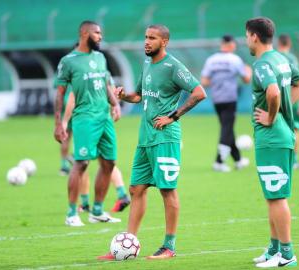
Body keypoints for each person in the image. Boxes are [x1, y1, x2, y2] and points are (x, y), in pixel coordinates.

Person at [98, 24, 207, 260]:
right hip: (145, 138)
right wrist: (125, 96)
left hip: (165, 139)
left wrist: (173, 117)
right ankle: (127, 245)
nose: (146, 42)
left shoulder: (173, 66)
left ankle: (169, 246)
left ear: (164, 42)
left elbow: (199, 92)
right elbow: (139, 95)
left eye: (152, 38)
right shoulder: (147, 64)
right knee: (136, 189)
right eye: (146, 37)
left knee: (167, 190)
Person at [245, 17, 299, 267]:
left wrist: (272, 116)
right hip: (281, 135)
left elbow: (271, 91)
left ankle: (287, 254)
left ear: (255, 37)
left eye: (246, 36)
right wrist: (285, 110)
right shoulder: (282, 59)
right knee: (273, 196)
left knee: (277, 197)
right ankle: (274, 249)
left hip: (272, 137)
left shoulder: (261, 64)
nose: (246, 40)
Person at [54, 21, 122, 226]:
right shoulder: (69, 61)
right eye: (97, 33)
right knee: (81, 163)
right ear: (84, 33)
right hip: (84, 118)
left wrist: (115, 104)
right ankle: (72, 213)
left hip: (104, 118)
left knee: (109, 163)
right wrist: (59, 122)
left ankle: (97, 211)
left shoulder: (100, 57)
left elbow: (104, 84)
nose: (101, 36)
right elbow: (60, 94)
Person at [62, 78, 131, 214]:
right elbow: (111, 90)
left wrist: (64, 120)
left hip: (88, 120)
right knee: (105, 162)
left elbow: (72, 96)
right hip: (102, 119)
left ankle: (86, 203)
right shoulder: (101, 69)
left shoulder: (82, 69)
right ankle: (121, 194)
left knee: (83, 162)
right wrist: (114, 106)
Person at [201, 34, 252, 172]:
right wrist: (249, 70)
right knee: (226, 129)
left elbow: (204, 82)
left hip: (217, 100)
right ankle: (219, 162)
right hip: (230, 99)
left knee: (227, 128)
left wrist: (217, 82)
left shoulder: (211, 60)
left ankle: (238, 160)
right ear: (231, 45)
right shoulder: (235, 59)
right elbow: (247, 79)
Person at [277, 34, 299, 169]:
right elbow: (298, 81)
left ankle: (281, 160)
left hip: (277, 100)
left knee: (278, 129)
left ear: (278, 43)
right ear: (289, 43)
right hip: (292, 98)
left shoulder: (274, 57)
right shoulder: (293, 59)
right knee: (295, 129)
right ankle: (294, 160)